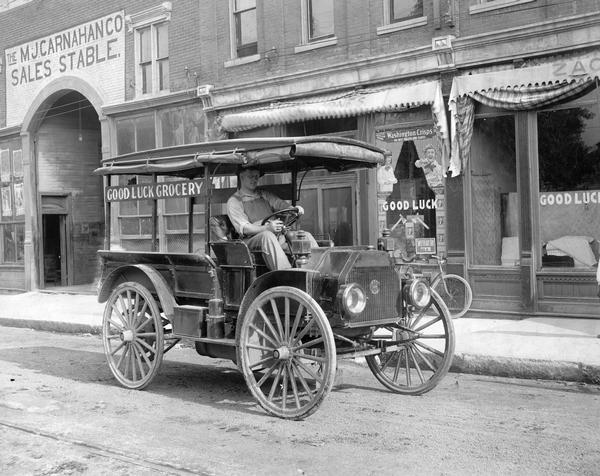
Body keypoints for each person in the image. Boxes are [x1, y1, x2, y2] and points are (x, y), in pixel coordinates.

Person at [227, 165, 318, 270]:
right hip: (250, 242)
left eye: (256, 176)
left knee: (304, 236)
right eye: (250, 176)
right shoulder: (234, 201)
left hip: (277, 237)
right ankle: (287, 275)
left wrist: (294, 209)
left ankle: (317, 272)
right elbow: (245, 229)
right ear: (241, 177)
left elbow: (280, 204)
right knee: (267, 236)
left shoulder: (264, 195)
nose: (254, 179)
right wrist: (267, 228)